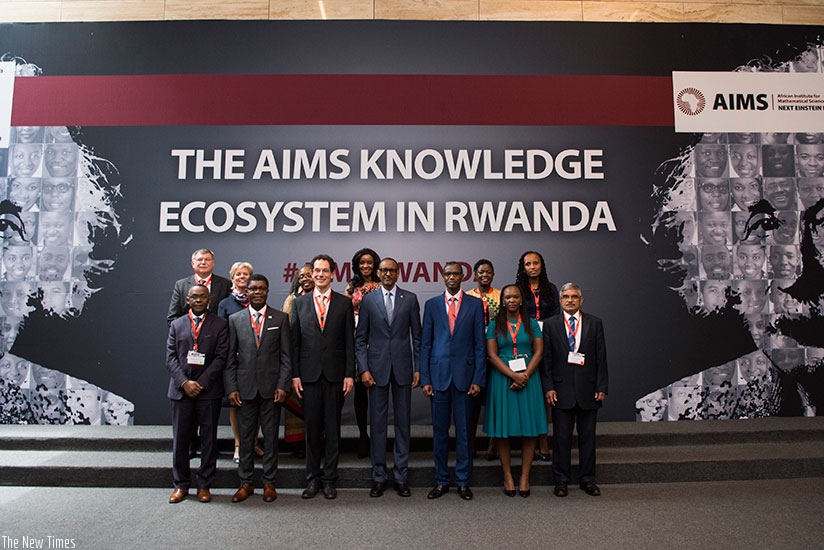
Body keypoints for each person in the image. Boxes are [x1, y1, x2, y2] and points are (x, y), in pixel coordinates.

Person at [354, 257, 421, 498]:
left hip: (403, 368)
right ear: (378, 273)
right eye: (383, 270)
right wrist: (363, 369)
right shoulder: (369, 300)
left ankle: (401, 476)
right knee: (378, 425)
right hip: (376, 370)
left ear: (398, 273)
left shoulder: (410, 299)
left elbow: (417, 337)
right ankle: (379, 476)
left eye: (391, 270)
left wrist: (418, 367)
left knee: (403, 425)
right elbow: (360, 338)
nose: (387, 274)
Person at [291, 254, 355, 500]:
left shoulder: (343, 303)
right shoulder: (300, 303)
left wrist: (349, 373)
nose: (319, 275)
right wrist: (295, 375)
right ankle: (312, 479)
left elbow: (349, 342)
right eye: (316, 270)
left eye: (324, 271)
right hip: (307, 377)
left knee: (332, 429)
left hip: (335, 376)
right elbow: (294, 343)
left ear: (332, 274)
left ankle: (329, 480)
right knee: (312, 430)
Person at [420, 261, 485, 501]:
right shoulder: (432, 305)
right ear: (443, 276)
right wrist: (425, 377)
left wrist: (478, 378)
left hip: (465, 379)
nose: (451, 278)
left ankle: (463, 481)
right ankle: (441, 480)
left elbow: (480, 345)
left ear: (462, 276)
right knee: (439, 433)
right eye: (447, 274)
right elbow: (426, 344)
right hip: (438, 378)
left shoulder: (475, 305)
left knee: (465, 433)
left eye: (456, 274)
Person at [224, 274, 292, 503]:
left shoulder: (280, 318)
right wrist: (231, 387)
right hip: (244, 390)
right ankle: (245, 483)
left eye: (262, 289)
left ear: (267, 291)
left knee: (271, 438)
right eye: (253, 289)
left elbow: (286, 358)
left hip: (272, 390)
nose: (257, 292)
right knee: (245, 438)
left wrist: (283, 384)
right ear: (246, 291)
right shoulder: (235, 319)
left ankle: (269, 483)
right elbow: (230, 360)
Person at [542, 283, 608, 497]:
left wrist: (602, 386)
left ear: (581, 300)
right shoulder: (550, 324)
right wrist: (549, 387)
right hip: (561, 391)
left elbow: (601, 357)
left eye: (574, 297)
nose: (570, 300)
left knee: (588, 438)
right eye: (566, 297)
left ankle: (588, 480)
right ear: (560, 301)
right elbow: (547, 360)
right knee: (561, 439)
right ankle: (561, 481)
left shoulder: (594, 323)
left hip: (589, 389)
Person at [165, 285, 228, 504]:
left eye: (202, 296)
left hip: (208, 391)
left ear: (209, 299)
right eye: (194, 296)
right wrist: (184, 383)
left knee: (209, 441)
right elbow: (171, 358)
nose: (198, 300)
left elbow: (221, 358)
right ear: (187, 300)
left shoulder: (220, 324)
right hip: (181, 392)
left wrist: (200, 383)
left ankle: (204, 485)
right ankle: (181, 485)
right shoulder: (177, 324)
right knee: (181, 440)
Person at [484, 284, 545, 498]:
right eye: (507, 297)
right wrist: (513, 375)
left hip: (529, 377)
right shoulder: (494, 325)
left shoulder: (532, 324)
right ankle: (508, 475)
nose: (511, 300)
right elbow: (492, 355)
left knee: (529, 430)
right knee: (503, 430)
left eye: (515, 297)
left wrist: (525, 375)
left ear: (521, 300)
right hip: (503, 379)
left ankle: (525, 477)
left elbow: (539, 351)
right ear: (502, 301)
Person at [514, 250, 559, 461]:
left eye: (536, 263)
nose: (532, 267)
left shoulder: (550, 289)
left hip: (547, 345)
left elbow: (556, 317)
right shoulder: (519, 290)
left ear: (542, 265)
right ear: (523, 268)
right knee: (525, 393)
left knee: (544, 394)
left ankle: (543, 442)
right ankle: (518, 442)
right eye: (528, 264)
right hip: (525, 346)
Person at [344, 247, 381, 459]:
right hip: (357, 344)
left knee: (377, 392)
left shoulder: (380, 287)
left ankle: (377, 436)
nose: (366, 266)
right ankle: (362, 436)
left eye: (369, 262)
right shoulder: (351, 288)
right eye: (362, 263)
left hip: (376, 344)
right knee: (360, 395)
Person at [216, 261, 253, 464]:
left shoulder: (257, 298)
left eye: (246, 274)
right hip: (235, 361)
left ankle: (253, 441)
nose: (242, 277)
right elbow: (221, 333)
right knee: (236, 404)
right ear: (232, 277)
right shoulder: (225, 304)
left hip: (255, 361)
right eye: (238, 274)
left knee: (255, 402)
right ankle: (239, 444)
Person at [466, 259, 501, 461]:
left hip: (496, 356)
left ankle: (493, 444)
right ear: (475, 275)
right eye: (481, 272)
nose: (484, 275)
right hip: (474, 356)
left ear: (493, 274)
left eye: (488, 272)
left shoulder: (500, 296)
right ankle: (470, 443)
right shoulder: (469, 297)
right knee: (472, 403)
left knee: (495, 403)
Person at [280, 263, 312, 459]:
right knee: (297, 403)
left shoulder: (324, 299)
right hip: (296, 359)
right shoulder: (292, 299)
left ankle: (316, 443)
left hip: (317, 360)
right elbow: (286, 332)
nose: (306, 279)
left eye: (309, 275)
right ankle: (299, 444)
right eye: (301, 276)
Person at [167, 248, 232, 324]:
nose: (203, 262)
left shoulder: (225, 284)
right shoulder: (181, 285)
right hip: (188, 333)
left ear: (213, 263)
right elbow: (172, 317)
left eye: (207, 259)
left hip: (216, 333)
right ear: (193, 263)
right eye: (200, 259)